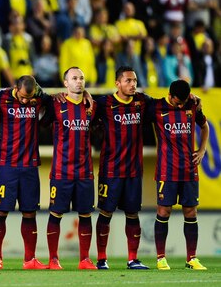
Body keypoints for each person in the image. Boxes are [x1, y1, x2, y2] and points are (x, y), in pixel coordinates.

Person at [0, 75, 50, 270]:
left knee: (30, 213)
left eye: (29, 99)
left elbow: (56, 105)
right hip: (6, 165)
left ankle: (30, 259)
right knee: (0, 211)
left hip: (30, 165)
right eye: (22, 97)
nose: (25, 101)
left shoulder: (39, 98)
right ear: (15, 88)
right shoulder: (0, 98)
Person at [93, 66, 152, 270]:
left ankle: (133, 259)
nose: (132, 84)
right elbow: (85, 109)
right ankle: (101, 259)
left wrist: (192, 98)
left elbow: (168, 105)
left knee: (133, 214)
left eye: (134, 80)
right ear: (117, 83)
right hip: (110, 171)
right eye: (127, 80)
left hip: (134, 171)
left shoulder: (142, 102)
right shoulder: (104, 103)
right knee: (105, 213)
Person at [149, 79, 209, 270]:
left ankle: (192, 258)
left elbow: (204, 126)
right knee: (163, 211)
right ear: (170, 95)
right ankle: (161, 258)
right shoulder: (157, 107)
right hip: (166, 171)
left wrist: (202, 150)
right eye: (178, 102)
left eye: (184, 101)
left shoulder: (192, 104)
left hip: (189, 170)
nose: (181, 105)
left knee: (191, 212)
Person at [43, 67, 98, 270]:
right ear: (65, 83)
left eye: (81, 78)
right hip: (61, 172)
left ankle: (84, 259)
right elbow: (38, 104)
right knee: (56, 214)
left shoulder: (92, 106)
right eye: (74, 78)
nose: (79, 81)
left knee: (85, 215)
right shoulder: (56, 104)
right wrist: (51, 96)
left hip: (85, 172)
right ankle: (53, 259)